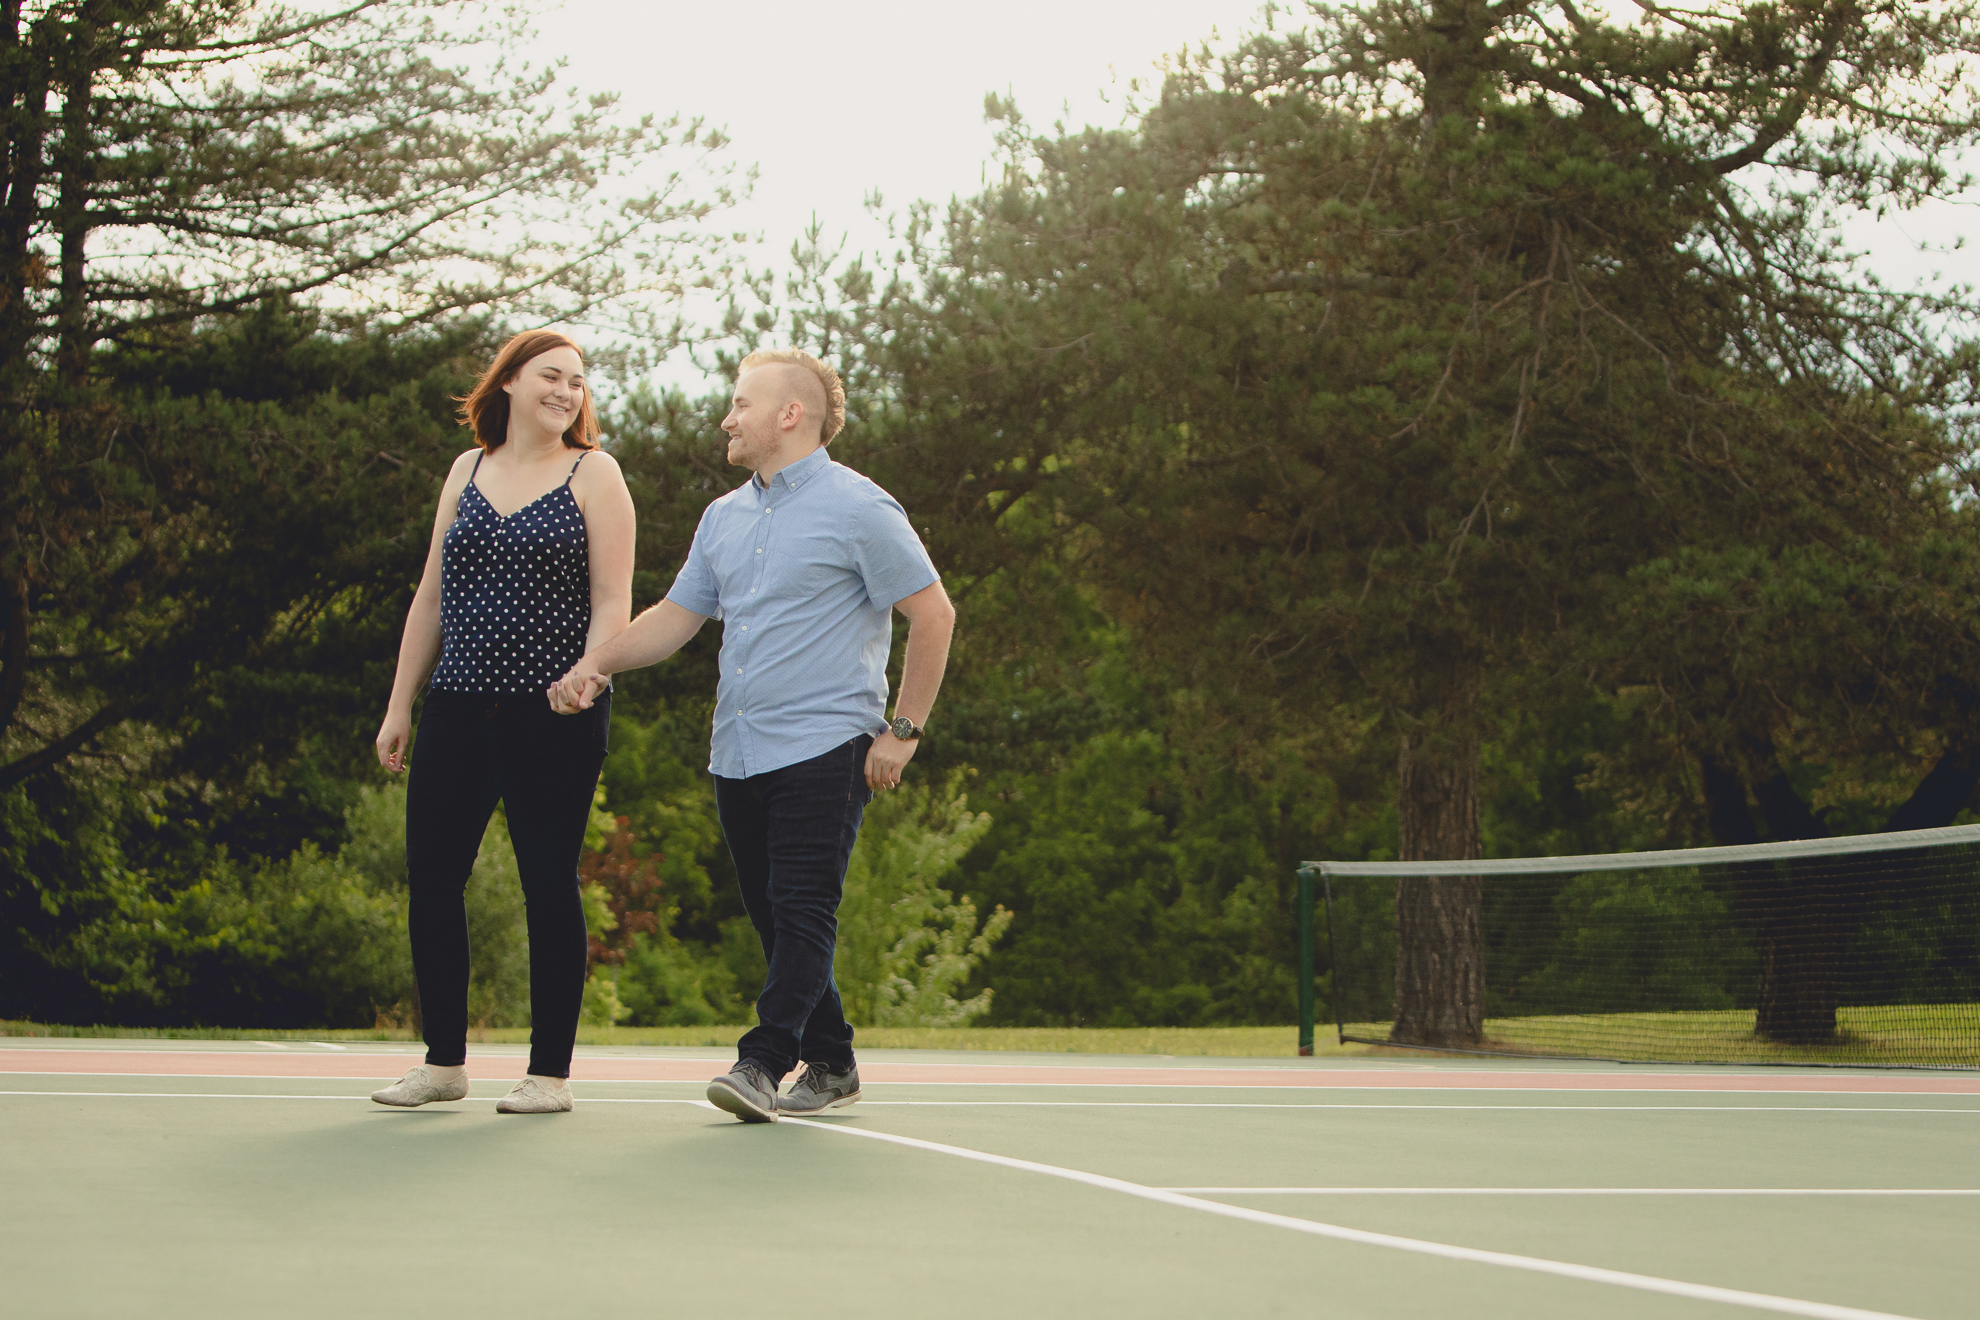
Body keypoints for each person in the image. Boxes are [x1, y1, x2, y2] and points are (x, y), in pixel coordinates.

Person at [550, 348, 954, 1122]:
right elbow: (675, 620)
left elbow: (933, 615)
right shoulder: (723, 516)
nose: (727, 419)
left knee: (804, 910)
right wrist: (598, 663)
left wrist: (903, 731)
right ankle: (832, 1061)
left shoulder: (861, 508)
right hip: (737, 750)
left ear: (789, 415)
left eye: (741, 404)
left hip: (828, 744)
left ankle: (763, 1061)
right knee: (776, 918)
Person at [369, 330, 635, 1114]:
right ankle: (443, 1064)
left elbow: (612, 599)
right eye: (551, 375)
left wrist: (590, 674)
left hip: (553, 712)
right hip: (456, 706)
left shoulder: (596, 473)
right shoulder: (468, 469)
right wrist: (400, 706)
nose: (567, 391)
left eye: (578, 382)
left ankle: (548, 1075)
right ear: (511, 381)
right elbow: (431, 598)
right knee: (433, 882)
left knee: (547, 885)